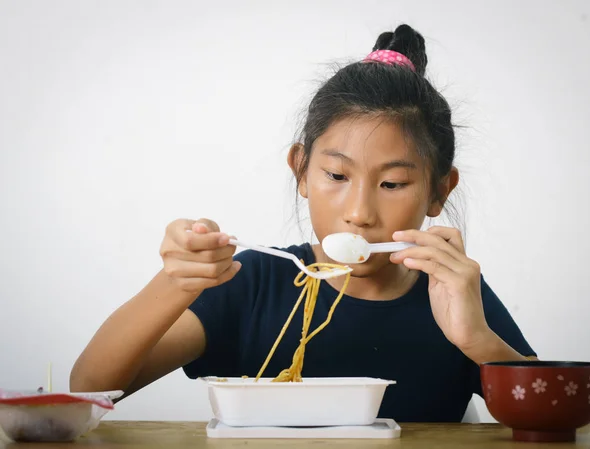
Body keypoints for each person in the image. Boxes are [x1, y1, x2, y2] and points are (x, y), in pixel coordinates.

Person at [70, 24, 537, 422]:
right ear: (301, 171)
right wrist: (177, 281)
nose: (359, 212)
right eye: (336, 175)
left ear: (439, 191)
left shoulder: (450, 293)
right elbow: (89, 391)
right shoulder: (252, 281)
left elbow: (552, 419)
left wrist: (476, 339)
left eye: (392, 183)